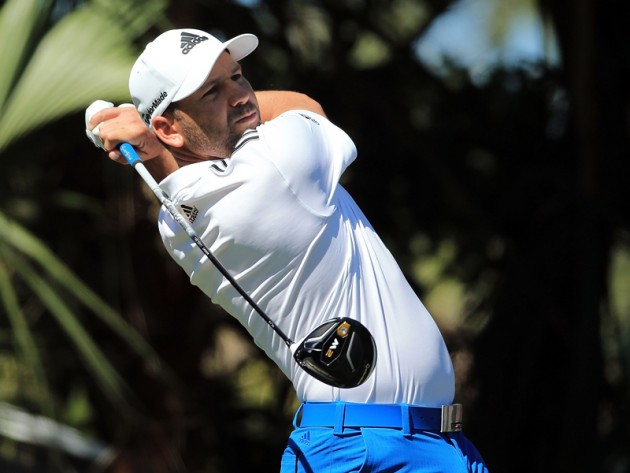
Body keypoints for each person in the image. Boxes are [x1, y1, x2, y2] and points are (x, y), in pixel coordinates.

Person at [86, 28, 488, 473]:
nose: (241, 95)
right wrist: (153, 134)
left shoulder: (173, 224)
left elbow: (183, 176)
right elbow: (304, 105)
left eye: (237, 76)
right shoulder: (280, 166)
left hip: (399, 442)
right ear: (167, 128)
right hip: (371, 448)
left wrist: (155, 140)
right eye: (212, 92)